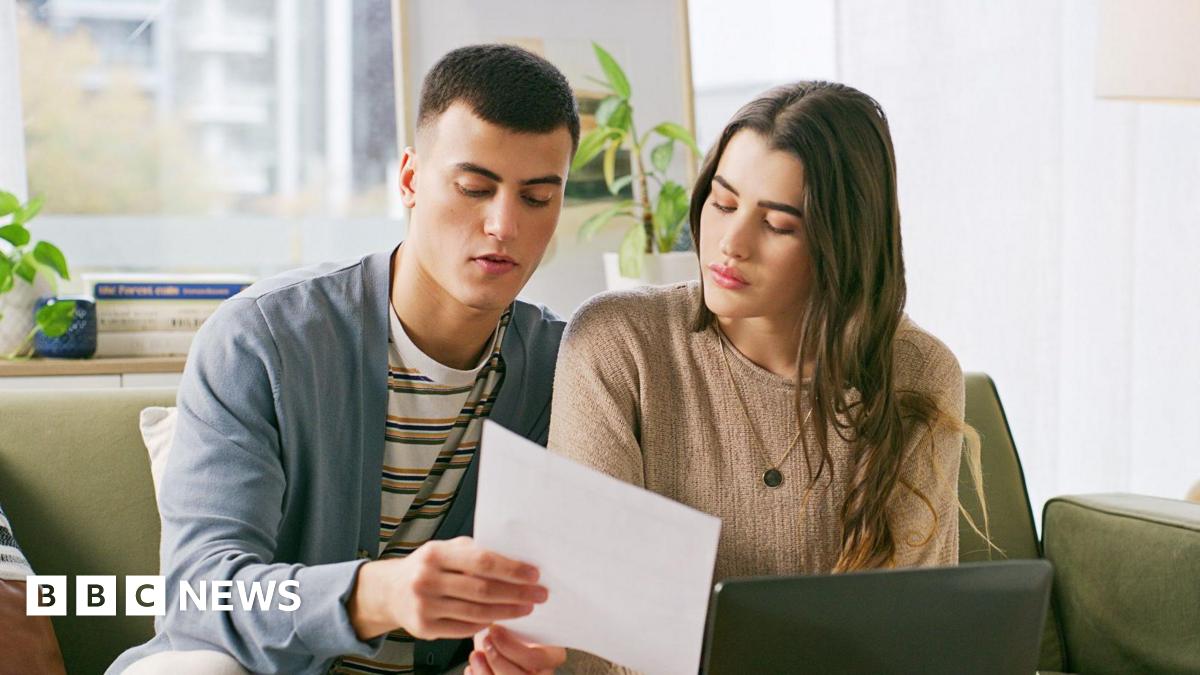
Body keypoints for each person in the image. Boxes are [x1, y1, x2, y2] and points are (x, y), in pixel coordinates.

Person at [110, 44, 577, 675]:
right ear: (410, 180)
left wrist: (535, 652)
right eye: (474, 188)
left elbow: (569, 589)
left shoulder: (562, 366)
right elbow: (200, 591)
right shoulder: (263, 338)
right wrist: (373, 594)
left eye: (537, 199)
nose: (504, 225)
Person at [549, 81, 985, 671]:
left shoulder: (916, 370)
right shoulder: (617, 343)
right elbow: (592, 626)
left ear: (843, 243)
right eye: (723, 204)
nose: (730, 243)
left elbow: (904, 631)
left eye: (778, 225)